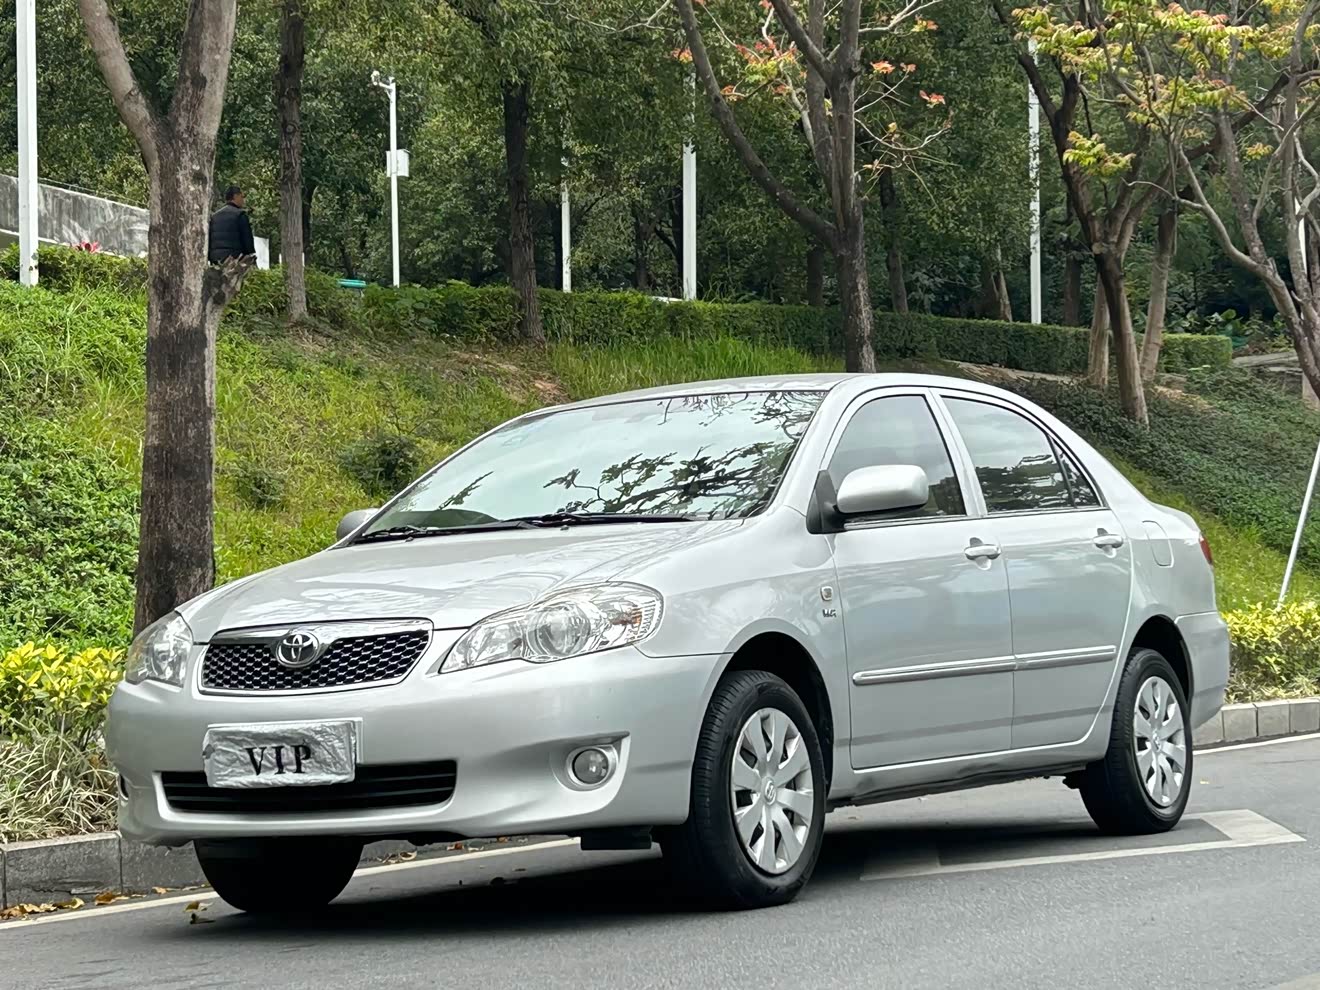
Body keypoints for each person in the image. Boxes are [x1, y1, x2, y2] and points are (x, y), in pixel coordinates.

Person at [207, 185, 255, 264]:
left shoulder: (214, 216)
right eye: (242, 197)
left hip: (216, 259)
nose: (243, 200)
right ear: (235, 196)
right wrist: (250, 255)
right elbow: (247, 239)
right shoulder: (240, 215)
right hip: (234, 259)